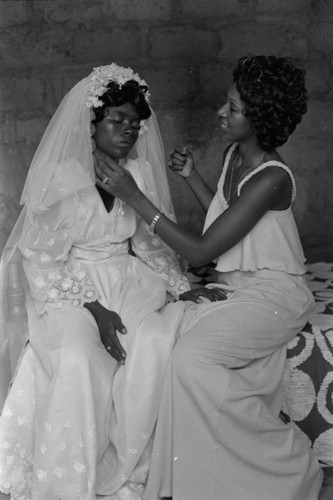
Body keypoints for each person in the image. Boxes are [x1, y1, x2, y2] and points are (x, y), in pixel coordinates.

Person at [94, 55, 323, 500]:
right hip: (236, 284)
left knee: (191, 360)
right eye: (227, 102)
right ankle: (206, 479)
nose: (222, 112)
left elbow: (201, 250)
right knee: (167, 342)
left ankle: (284, 464)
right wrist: (193, 178)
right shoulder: (235, 155)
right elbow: (227, 219)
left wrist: (134, 196)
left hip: (275, 293)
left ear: (260, 120)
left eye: (234, 109)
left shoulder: (273, 178)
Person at [0, 63, 190, 500]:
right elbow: (41, 258)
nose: (128, 130)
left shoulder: (137, 176)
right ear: (91, 124)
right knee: (78, 357)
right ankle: (67, 483)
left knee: (152, 346)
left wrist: (181, 284)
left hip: (128, 280)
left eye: (135, 123)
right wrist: (92, 307)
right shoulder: (62, 177)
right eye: (116, 120)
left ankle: (127, 464)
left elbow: (148, 243)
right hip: (68, 286)